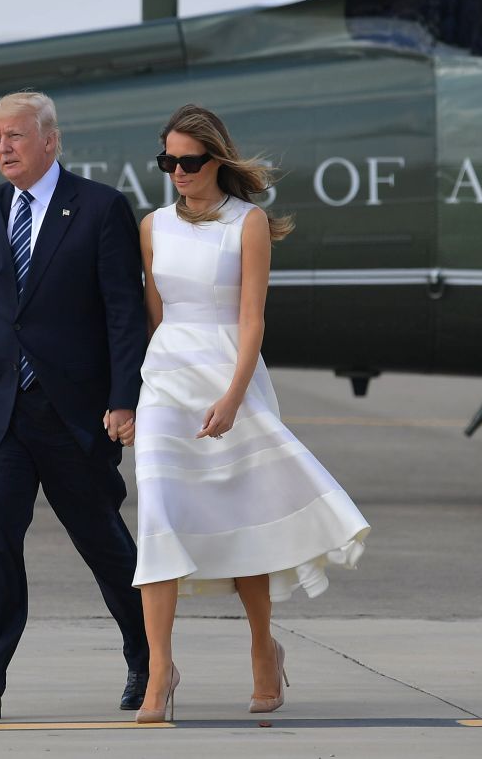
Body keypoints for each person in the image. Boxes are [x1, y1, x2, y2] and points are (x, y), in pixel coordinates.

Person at [123, 105, 371, 723]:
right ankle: (159, 673)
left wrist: (234, 398)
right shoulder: (152, 226)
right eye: (168, 161)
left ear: (216, 159)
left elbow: (253, 320)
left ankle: (265, 649)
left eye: (189, 161)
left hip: (230, 377)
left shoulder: (248, 223)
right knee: (158, 520)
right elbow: (154, 316)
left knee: (244, 520)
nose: (178, 171)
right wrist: (134, 394)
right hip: (166, 382)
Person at [0, 90, 150, 722]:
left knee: (103, 542)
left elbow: (122, 314)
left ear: (51, 140)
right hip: (0, 409)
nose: (4, 148)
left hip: (76, 413)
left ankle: (147, 655)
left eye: (16, 136)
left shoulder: (101, 208)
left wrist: (123, 398)